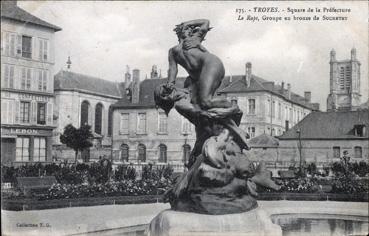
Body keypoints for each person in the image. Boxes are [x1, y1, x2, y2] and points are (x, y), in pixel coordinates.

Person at [166, 19, 232, 110]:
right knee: (196, 103)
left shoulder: (195, 38)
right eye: (186, 29)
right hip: (199, 75)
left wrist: (187, 23)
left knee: (205, 102)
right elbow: (173, 69)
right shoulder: (172, 51)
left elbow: (206, 22)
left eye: (190, 29)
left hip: (211, 64)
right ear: (180, 31)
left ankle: (231, 106)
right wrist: (170, 83)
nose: (189, 30)